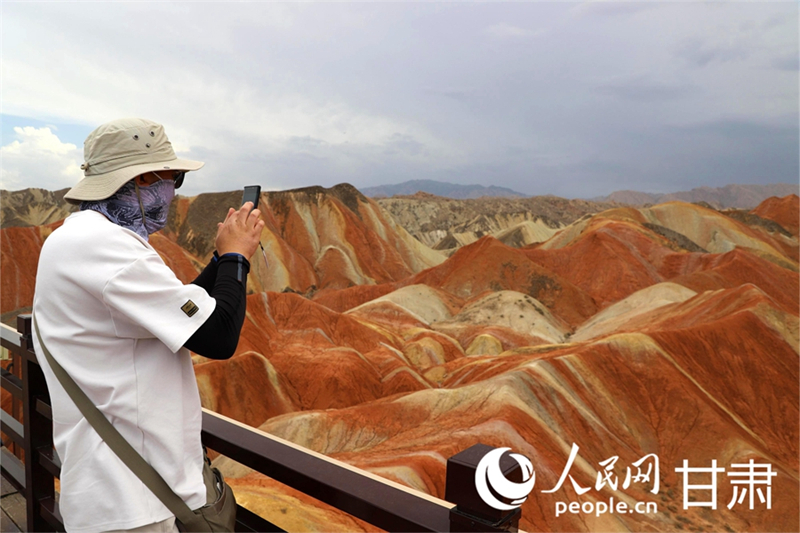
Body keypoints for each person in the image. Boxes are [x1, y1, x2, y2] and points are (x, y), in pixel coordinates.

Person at [32, 118, 264, 533]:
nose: (175, 191)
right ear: (142, 180)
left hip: (107, 488)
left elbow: (168, 312)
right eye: (172, 177)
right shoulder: (112, 252)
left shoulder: (75, 239)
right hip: (133, 502)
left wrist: (217, 259)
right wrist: (236, 259)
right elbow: (219, 336)